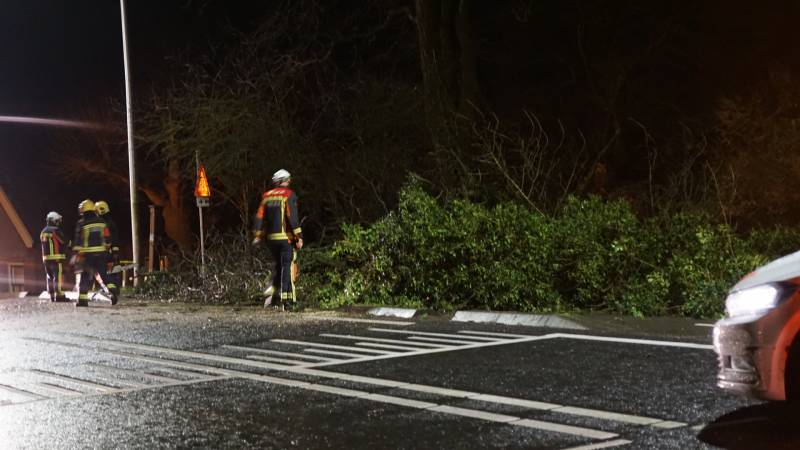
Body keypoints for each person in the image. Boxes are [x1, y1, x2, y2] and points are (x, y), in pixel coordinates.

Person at [252, 169, 303, 311]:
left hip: (271, 240)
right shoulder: (289, 194)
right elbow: (292, 217)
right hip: (285, 238)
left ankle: (273, 296)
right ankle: (287, 301)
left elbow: (259, 217)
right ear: (284, 180)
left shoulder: (266, 196)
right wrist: (298, 237)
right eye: (288, 179)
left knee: (278, 267)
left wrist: (257, 235)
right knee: (287, 267)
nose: (289, 181)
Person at [72, 199, 114, 307]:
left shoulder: (81, 223)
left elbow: (78, 240)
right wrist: (108, 252)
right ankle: (113, 291)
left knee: (85, 276)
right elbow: (108, 238)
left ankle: (82, 300)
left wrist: (77, 253)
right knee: (104, 274)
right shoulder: (102, 222)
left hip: (88, 254)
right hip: (101, 254)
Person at [40, 211, 69, 302]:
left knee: (49, 277)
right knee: (58, 277)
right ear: (53, 220)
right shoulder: (55, 230)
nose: (58, 223)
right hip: (56, 258)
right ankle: (60, 296)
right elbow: (63, 241)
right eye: (57, 220)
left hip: (46, 259)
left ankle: (52, 296)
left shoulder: (43, 231)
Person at [95, 200, 121, 300]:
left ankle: (109, 290)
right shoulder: (111, 223)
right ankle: (114, 290)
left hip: (104, 252)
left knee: (102, 272)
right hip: (111, 252)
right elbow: (116, 239)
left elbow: (110, 239)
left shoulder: (103, 224)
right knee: (112, 272)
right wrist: (115, 253)